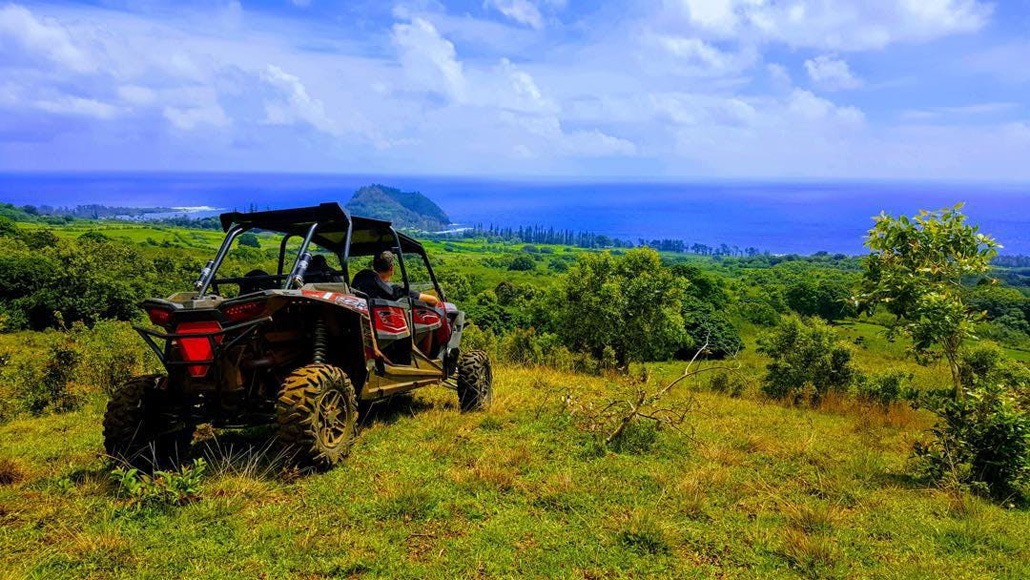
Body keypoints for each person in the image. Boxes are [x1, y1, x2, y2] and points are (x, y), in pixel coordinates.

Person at [351, 250, 440, 306]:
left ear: (374, 266)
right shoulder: (394, 291)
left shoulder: (360, 282)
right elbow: (433, 300)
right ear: (391, 268)